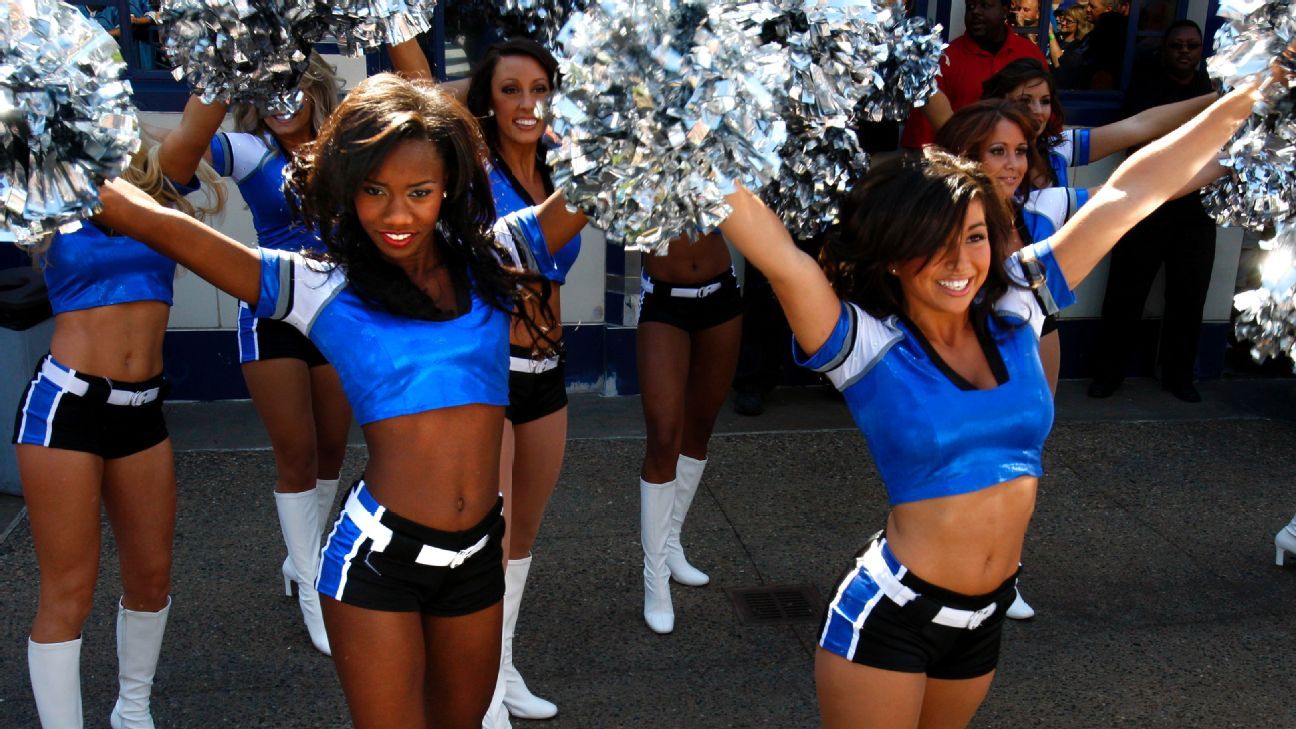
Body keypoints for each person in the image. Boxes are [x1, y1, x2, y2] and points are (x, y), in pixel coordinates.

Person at [714, 80, 1258, 728]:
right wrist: (673, 125)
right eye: (934, 240)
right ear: (892, 255)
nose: (960, 260)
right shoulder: (864, 343)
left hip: (982, 618)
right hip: (889, 616)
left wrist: (1263, 87)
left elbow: (1132, 192)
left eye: (974, 236)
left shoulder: (1017, 303)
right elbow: (777, 255)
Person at [96, 73, 588, 729]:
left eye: (419, 192)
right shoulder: (319, 285)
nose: (397, 214)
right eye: (374, 190)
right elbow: (154, 221)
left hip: (476, 556)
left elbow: (614, 177)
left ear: (448, 187)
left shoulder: (496, 256)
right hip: (376, 561)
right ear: (345, 186)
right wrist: (41, 142)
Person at [158, 45, 429, 655]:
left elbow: (419, 114)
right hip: (274, 314)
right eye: (268, 91)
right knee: (297, 453)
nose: (281, 103)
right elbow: (189, 147)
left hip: (336, 316)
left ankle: (305, 552)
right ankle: (311, 584)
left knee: (333, 447)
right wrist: (224, 63)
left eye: (292, 88)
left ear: (314, 91)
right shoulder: (250, 151)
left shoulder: (345, 150)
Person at [17, 136, 223, 729]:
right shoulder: (49, 191)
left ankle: (133, 713)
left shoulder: (160, 188)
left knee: (152, 576)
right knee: (69, 588)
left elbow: (207, 104)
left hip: (144, 411)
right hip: (66, 407)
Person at [463, 38, 577, 723]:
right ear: (488, 98)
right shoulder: (474, 167)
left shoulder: (566, 166)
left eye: (540, 88)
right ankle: (480, 691)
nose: (527, 103)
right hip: (494, 370)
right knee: (493, 531)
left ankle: (503, 668)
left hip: (549, 367)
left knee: (525, 532)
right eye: (510, 89)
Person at [1087, 21, 1218, 402]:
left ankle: (1179, 377)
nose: (1184, 51)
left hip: (1196, 208)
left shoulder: (1211, 91)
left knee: (1189, 296)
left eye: (1192, 46)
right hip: (1145, 205)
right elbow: (1136, 138)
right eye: (1177, 44)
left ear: (1200, 51)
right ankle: (1108, 375)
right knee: (1125, 293)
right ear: (1165, 49)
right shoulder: (1146, 88)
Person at [636, 228, 743, 634]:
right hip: (663, 300)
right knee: (664, 435)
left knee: (699, 428)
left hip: (722, 295)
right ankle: (655, 578)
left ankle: (672, 542)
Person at [979, 58, 1215, 189]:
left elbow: (1141, 124)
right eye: (1025, 101)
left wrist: (1218, 100)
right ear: (1000, 102)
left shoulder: (1058, 148)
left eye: (1045, 101)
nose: (1037, 111)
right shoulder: (980, 162)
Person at [901, 0, 1046, 150]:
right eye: (970, 6)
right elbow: (921, 139)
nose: (975, 12)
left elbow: (1049, 124)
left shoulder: (1030, 54)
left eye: (985, 5)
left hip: (1018, 163)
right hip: (959, 164)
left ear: (1005, 9)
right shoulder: (945, 59)